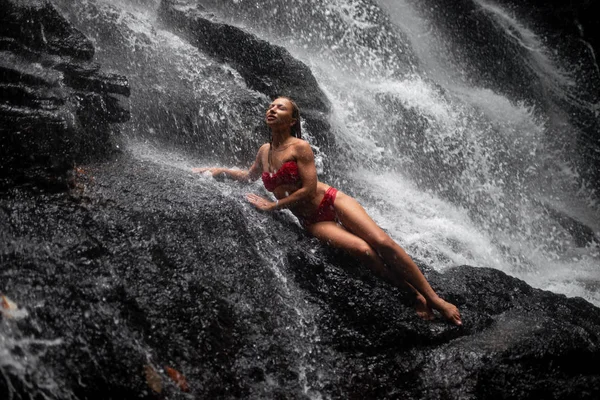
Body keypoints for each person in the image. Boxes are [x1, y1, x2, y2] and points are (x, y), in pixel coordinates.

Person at [192, 97, 462, 326]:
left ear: (293, 120)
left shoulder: (301, 148)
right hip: (310, 219)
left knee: (381, 242)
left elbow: (309, 190)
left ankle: (436, 299)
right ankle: (413, 293)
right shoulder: (264, 151)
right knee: (363, 251)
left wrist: (273, 206)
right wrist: (218, 171)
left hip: (331, 201)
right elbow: (248, 176)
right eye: (271, 106)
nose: (272, 109)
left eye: (280, 108)